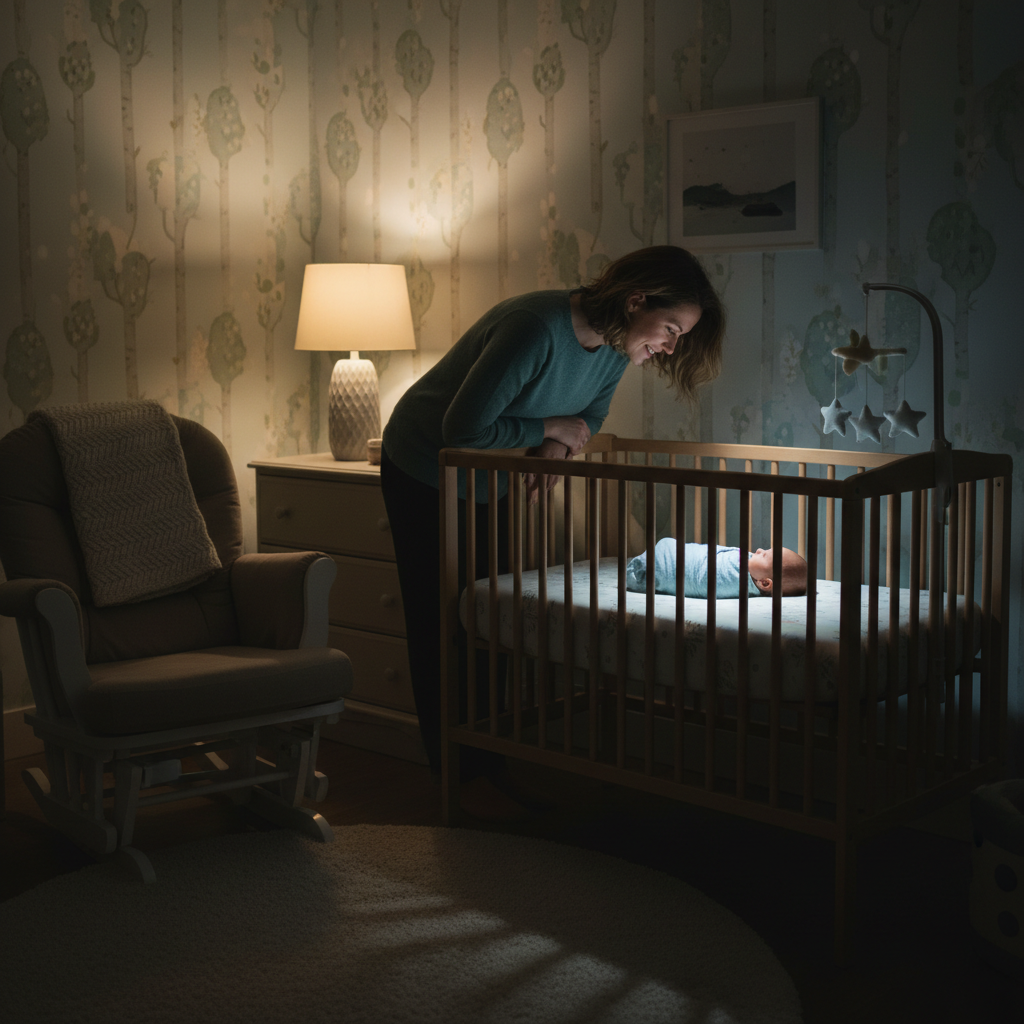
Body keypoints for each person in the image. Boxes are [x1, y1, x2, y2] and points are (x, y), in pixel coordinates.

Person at [379, 245, 725, 818]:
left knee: (483, 610)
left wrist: (561, 441)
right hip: (424, 464)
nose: (669, 346)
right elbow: (460, 428)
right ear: (636, 300)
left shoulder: (615, 350)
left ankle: (486, 757)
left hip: (488, 474)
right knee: (438, 618)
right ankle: (453, 773)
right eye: (669, 329)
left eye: (678, 337)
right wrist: (547, 426)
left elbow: (590, 416)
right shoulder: (532, 328)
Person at [625, 539, 808, 598]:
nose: (759, 550)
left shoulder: (734, 578)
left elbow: (701, 576)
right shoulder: (753, 572)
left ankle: (644, 571)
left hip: (662, 564)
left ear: (765, 583)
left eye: (764, 555)